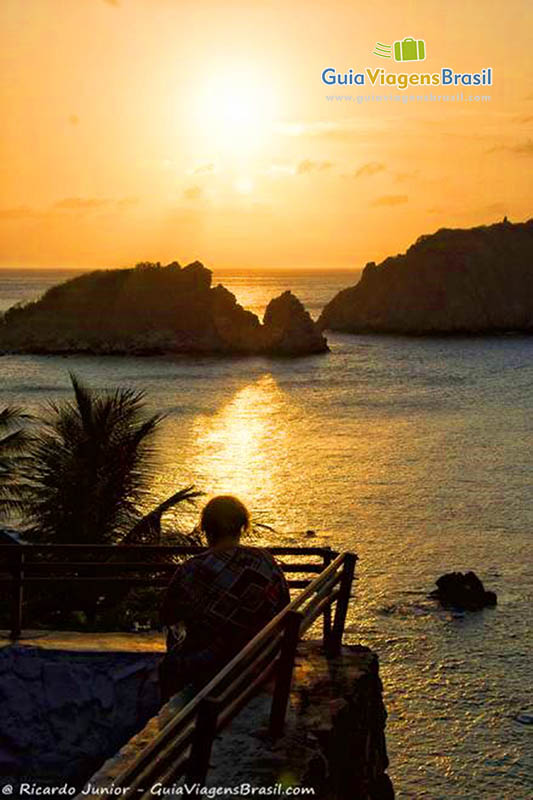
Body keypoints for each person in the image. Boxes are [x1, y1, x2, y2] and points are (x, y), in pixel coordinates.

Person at [158, 495, 290, 702]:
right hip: (261, 657)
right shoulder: (264, 560)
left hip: (211, 663)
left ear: (206, 529)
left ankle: (173, 722)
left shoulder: (193, 569)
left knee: (169, 666)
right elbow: (284, 604)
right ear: (242, 527)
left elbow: (168, 614)